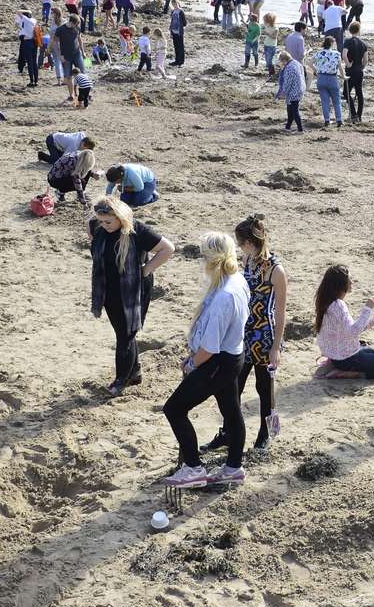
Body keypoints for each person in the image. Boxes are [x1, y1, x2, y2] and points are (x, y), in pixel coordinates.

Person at [161, 233, 251, 488]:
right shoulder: (237, 280)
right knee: (231, 411)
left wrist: (192, 363)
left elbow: (209, 348)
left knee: (175, 409)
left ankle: (193, 468)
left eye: (203, 256)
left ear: (211, 259)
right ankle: (233, 468)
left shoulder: (224, 296)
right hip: (234, 356)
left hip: (217, 362)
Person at [200, 216, 287, 450]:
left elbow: (280, 313)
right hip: (242, 333)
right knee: (232, 385)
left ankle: (266, 433)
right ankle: (228, 432)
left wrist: (276, 347)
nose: (239, 248)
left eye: (240, 243)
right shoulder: (246, 260)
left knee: (264, 389)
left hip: (264, 336)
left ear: (250, 242)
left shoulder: (276, 271)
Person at [90, 197, 174, 397]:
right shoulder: (97, 226)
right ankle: (134, 372)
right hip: (108, 289)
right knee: (123, 331)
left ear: (120, 218)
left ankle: (121, 379)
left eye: (108, 222)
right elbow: (93, 237)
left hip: (133, 290)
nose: (103, 225)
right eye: (101, 221)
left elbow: (168, 248)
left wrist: (147, 269)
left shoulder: (138, 231)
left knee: (126, 334)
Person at [315, 265, 374, 379]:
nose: (352, 282)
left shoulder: (327, 301)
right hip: (346, 358)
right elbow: (354, 331)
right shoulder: (338, 305)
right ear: (340, 284)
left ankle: (342, 367)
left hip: (341, 353)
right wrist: (367, 309)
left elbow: (352, 329)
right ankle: (352, 373)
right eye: (349, 280)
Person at [48, 139, 98, 203]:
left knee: (86, 172)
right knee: (79, 182)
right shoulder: (72, 163)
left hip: (63, 175)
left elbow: (85, 169)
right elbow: (77, 182)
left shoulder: (80, 156)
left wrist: (92, 174)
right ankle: (60, 193)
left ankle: (81, 192)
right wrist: (82, 200)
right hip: (54, 179)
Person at [313, 37, 344, 128]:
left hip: (321, 78)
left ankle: (327, 120)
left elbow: (309, 63)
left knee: (324, 101)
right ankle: (339, 120)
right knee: (336, 100)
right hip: (332, 78)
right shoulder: (336, 54)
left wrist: (317, 71)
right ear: (331, 43)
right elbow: (340, 68)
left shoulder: (318, 53)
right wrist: (344, 76)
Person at [342, 22, 369, 123]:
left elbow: (344, 54)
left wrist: (348, 64)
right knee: (359, 92)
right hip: (359, 70)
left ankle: (353, 114)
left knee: (346, 92)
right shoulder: (363, 43)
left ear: (350, 30)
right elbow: (366, 59)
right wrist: (362, 67)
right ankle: (359, 115)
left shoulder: (348, 41)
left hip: (350, 70)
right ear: (358, 30)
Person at [276, 51, 306, 133]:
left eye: (280, 61)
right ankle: (288, 127)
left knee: (294, 110)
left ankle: (300, 129)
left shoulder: (289, 68)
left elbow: (287, 83)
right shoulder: (296, 62)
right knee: (290, 109)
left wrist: (282, 93)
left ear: (284, 60)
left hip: (294, 91)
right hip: (301, 88)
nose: (280, 63)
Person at [168, 0, 187, 67]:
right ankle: (177, 61)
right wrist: (170, 31)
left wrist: (180, 27)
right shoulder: (173, 11)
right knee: (176, 47)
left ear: (178, 3)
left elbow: (185, 23)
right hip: (173, 31)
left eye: (175, 4)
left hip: (179, 32)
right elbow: (172, 21)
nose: (174, 5)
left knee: (180, 47)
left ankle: (181, 62)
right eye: (173, 4)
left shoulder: (181, 11)